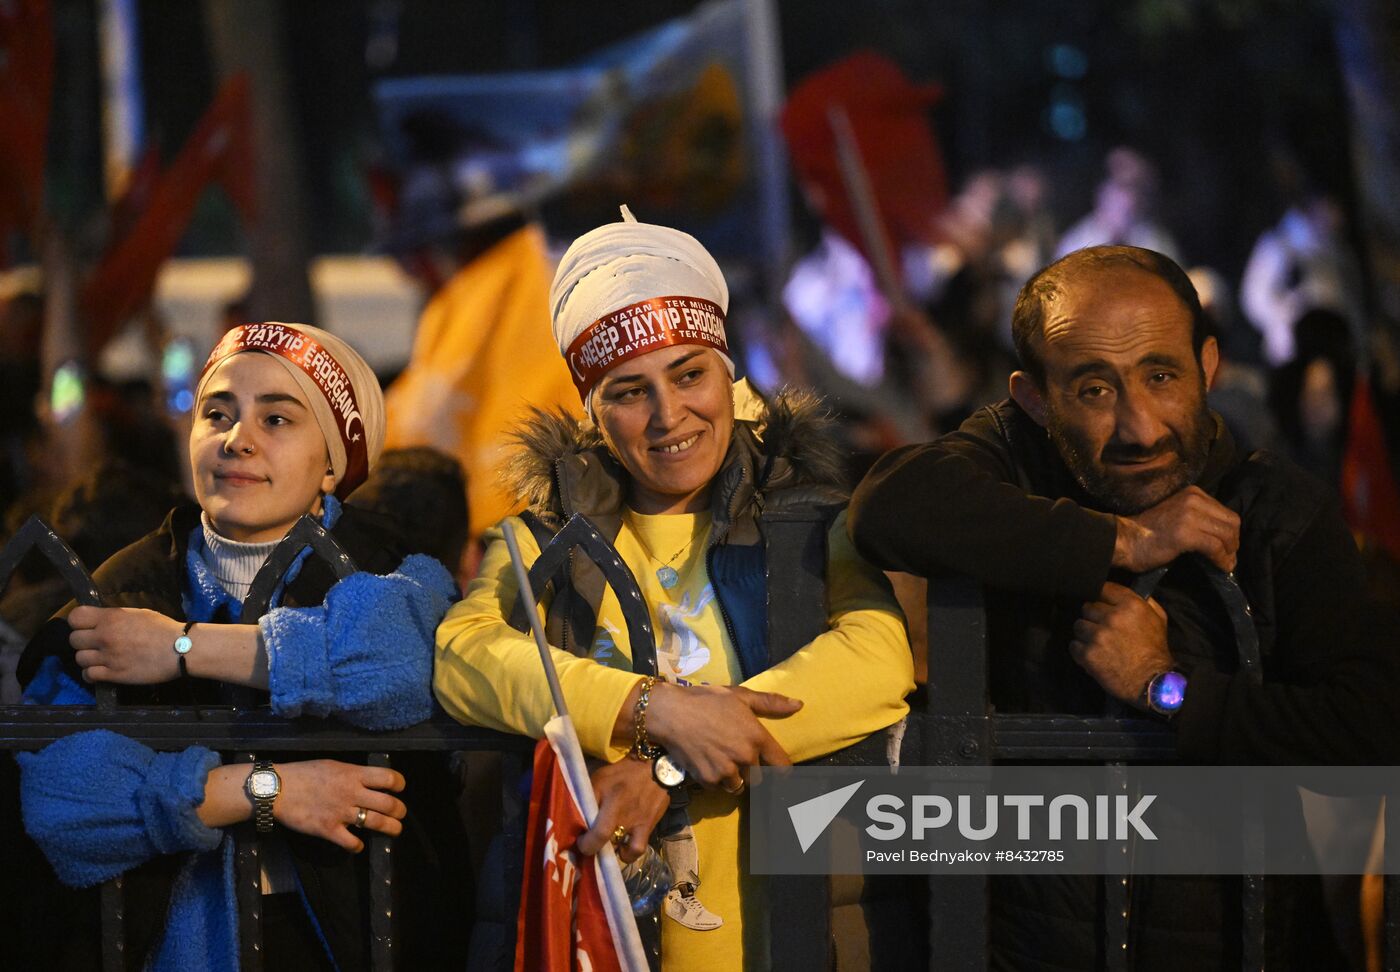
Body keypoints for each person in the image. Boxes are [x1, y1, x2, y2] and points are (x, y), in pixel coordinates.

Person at [848, 245, 1399, 969]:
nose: (1139, 427)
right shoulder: (1018, 460)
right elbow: (891, 503)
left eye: (1161, 376)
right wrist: (1122, 540)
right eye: (1095, 391)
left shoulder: (1279, 515)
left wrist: (1166, 688)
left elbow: (1369, 732)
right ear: (1036, 399)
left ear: (1208, 367)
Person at [434, 207, 914, 970]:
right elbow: (464, 655)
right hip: (591, 943)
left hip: (782, 940)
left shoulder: (812, 524)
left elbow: (878, 657)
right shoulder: (542, 540)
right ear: (593, 410)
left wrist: (667, 759)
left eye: (690, 374)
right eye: (629, 390)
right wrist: (653, 708)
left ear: (729, 373)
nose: (669, 415)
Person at [12, 322, 466, 971]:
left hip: (370, 938)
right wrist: (267, 790)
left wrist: (181, 649)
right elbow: (62, 797)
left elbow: (395, 666)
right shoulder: (120, 592)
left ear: (333, 463)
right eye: (216, 413)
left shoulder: (391, 569)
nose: (237, 439)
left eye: (277, 419)